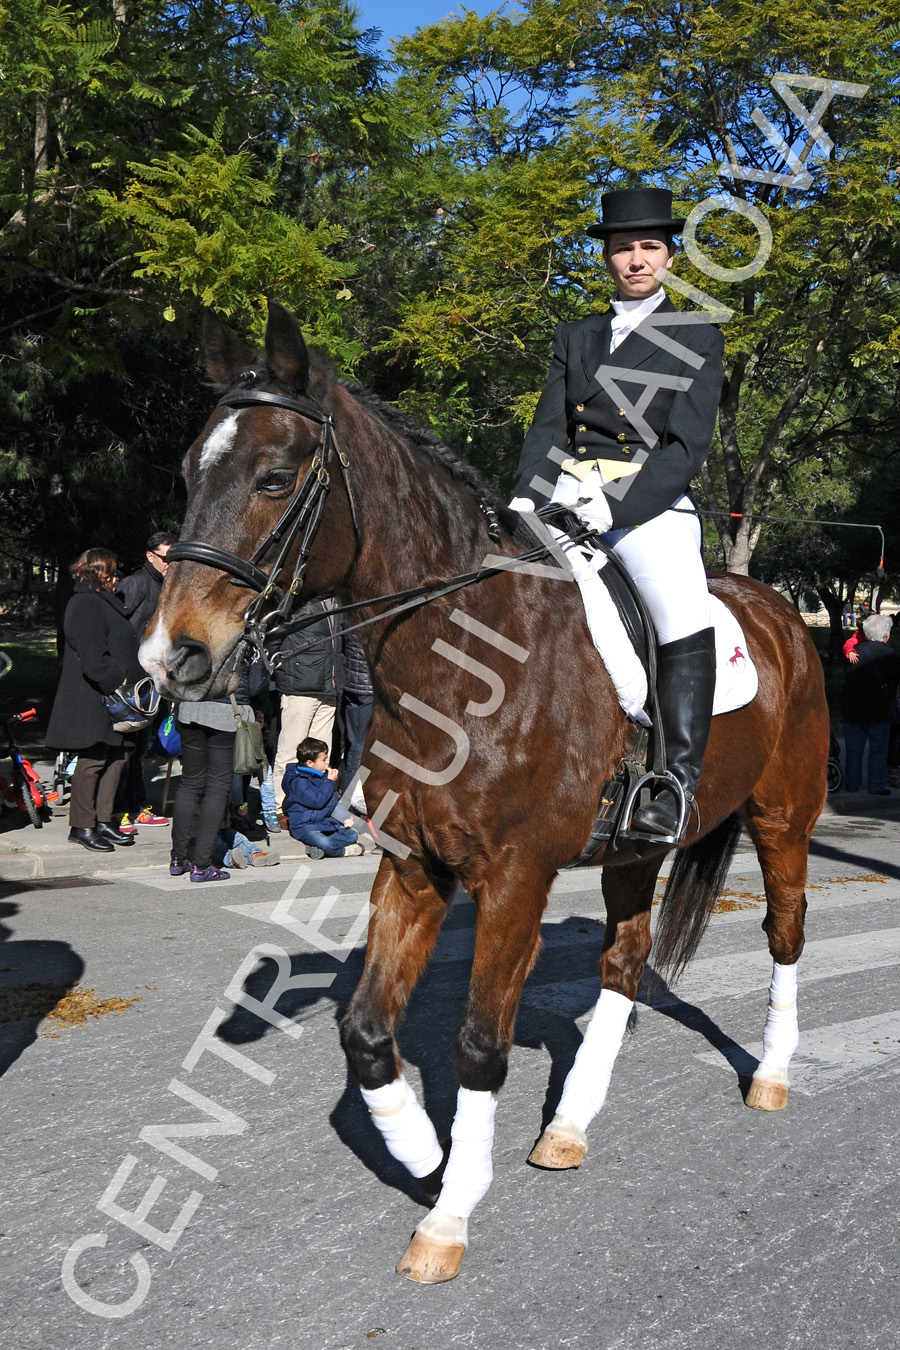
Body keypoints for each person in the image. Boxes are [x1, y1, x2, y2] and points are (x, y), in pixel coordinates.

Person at [510, 186, 724, 843]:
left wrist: (615, 502)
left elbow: (685, 449)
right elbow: (548, 431)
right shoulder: (574, 337)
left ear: (669, 256)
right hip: (569, 499)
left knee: (677, 608)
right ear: (606, 257)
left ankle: (674, 785)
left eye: (650, 247)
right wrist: (527, 501)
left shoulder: (695, 335)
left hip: (649, 507)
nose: (636, 259)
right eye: (624, 248)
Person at [45, 548, 145, 852]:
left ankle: (103, 821)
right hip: (94, 696)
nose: (117, 578)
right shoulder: (85, 603)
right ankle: (82, 825)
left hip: (112, 698)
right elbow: (92, 659)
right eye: (113, 572)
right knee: (94, 760)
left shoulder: (106, 603)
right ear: (98, 573)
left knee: (117, 757)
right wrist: (121, 677)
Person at [169, 664, 257, 882]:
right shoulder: (239, 632)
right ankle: (201, 865)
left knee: (190, 783)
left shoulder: (190, 630)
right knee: (217, 788)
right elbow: (255, 683)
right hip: (225, 711)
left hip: (190, 706)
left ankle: (178, 859)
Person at [116, 530, 177, 823]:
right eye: (167, 558)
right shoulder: (136, 583)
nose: (171, 564)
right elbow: (115, 628)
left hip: (151, 681)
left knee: (139, 748)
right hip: (129, 681)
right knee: (125, 748)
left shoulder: (168, 586)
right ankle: (121, 809)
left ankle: (135, 806)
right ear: (150, 556)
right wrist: (122, 672)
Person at [270, 599, 343, 820]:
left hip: (328, 687)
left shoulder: (337, 602)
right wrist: (283, 673)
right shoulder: (298, 602)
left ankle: (317, 804)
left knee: (322, 754)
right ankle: (281, 807)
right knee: (291, 751)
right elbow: (273, 642)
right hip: (300, 687)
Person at [282, 738, 373, 859]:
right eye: (324, 760)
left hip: (324, 824)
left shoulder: (323, 777)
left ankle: (318, 849)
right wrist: (330, 782)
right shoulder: (299, 781)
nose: (327, 762)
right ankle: (343, 851)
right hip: (305, 826)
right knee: (325, 843)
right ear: (310, 763)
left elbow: (333, 802)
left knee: (352, 835)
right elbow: (317, 802)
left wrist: (345, 818)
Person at [840, 612, 900, 796]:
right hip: (880, 712)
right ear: (886, 636)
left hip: (853, 710)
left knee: (853, 750)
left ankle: (852, 784)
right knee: (879, 751)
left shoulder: (854, 652)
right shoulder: (891, 655)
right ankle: (876, 786)